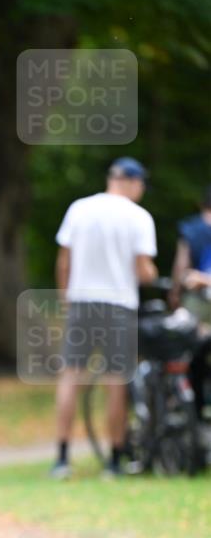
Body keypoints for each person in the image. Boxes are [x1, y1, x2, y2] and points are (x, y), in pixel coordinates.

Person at [52, 157, 158, 478]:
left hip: (82, 302)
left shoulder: (79, 209)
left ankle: (62, 458)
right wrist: (153, 274)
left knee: (71, 377)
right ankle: (114, 460)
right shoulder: (139, 217)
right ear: (132, 182)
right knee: (116, 381)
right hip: (119, 305)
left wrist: (65, 298)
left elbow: (64, 262)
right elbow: (143, 270)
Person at [170, 184, 211, 419]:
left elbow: (181, 269)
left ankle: (194, 411)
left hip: (197, 306)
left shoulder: (191, 229)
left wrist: (175, 295)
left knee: (192, 354)